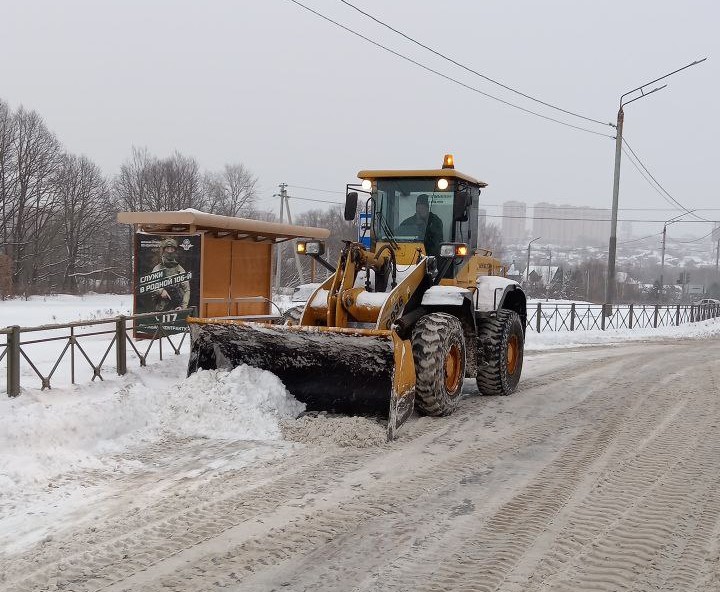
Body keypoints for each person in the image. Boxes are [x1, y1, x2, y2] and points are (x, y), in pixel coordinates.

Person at [151, 238, 191, 311]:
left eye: (172, 249)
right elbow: (151, 285)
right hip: (161, 306)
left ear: (175, 251)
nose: (169, 251)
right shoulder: (158, 268)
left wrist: (183, 307)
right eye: (167, 249)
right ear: (163, 251)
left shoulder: (179, 269)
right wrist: (161, 291)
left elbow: (187, 290)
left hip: (176, 307)